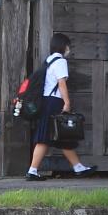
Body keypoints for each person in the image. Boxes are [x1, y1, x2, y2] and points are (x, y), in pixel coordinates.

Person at [27, 33, 96, 181]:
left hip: (46, 101)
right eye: (68, 46)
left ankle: (78, 167)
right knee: (50, 136)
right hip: (54, 101)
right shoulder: (60, 62)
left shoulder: (48, 61)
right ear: (63, 46)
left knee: (60, 136)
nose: (68, 49)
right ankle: (32, 171)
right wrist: (67, 102)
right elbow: (61, 83)